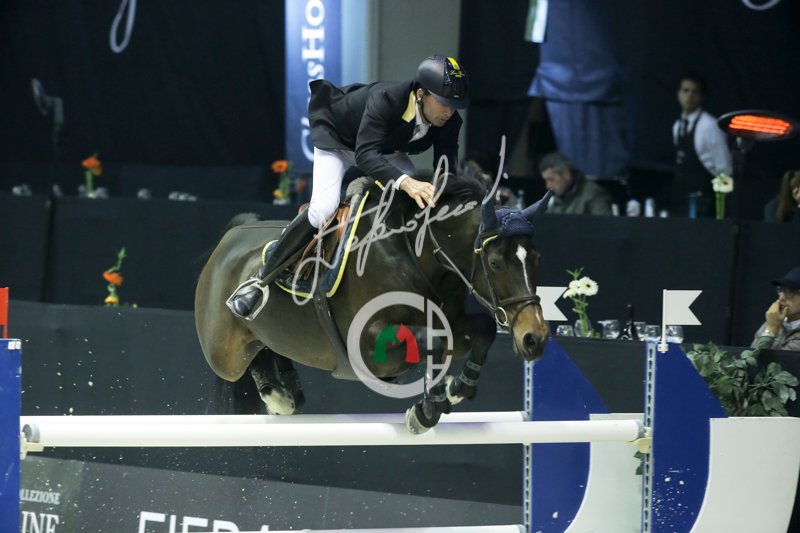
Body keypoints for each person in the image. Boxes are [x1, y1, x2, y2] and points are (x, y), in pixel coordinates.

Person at [228, 55, 469, 319]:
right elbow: (365, 155)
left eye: (455, 105)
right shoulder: (387, 99)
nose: (449, 111)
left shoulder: (449, 121)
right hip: (339, 142)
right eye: (444, 103)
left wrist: (452, 198)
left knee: (415, 194)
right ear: (421, 94)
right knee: (323, 209)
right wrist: (406, 182)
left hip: (383, 150)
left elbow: (447, 168)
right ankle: (260, 280)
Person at [672, 73, 732, 217]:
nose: (689, 96)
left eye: (695, 92)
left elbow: (725, 168)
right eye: (685, 90)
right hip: (682, 198)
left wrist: (721, 207)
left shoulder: (709, 126)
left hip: (705, 200)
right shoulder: (677, 126)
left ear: (702, 96)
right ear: (678, 93)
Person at [538, 152, 612, 215]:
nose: (548, 186)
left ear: (566, 175)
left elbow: (604, 225)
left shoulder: (593, 194)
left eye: (551, 179)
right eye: (546, 180)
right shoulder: (556, 197)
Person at [750, 266, 800, 351]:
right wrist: (771, 327)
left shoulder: (773, 324)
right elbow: (750, 357)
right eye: (780, 290)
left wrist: (771, 329)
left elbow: (782, 360)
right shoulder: (774, 321)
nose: (781, 298)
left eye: (790, 292)